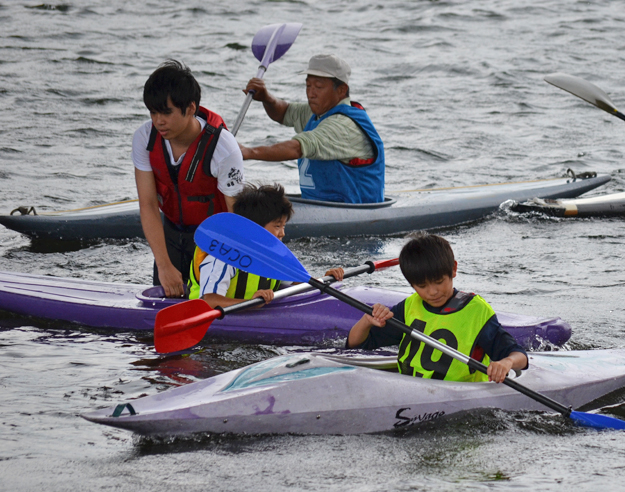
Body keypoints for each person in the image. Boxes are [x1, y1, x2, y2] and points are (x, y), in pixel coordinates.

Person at [347, 234, 528, 383]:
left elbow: (520, 356)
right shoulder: (409, 306)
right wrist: (366, 321)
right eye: (422, 286)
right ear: (412, 284)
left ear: (453, 269)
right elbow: (357, 345)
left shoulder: (477, 311)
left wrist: (506, 363)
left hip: (457, 397)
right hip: (409, 391)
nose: (432, 292)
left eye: (439, 282)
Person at [133, 60, 244, 298]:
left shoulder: (224, 148)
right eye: (153, 112)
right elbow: (148, 205)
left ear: (191, 107)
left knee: (207, 308)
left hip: (213, 244)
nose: (158, 121)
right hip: (171, 236)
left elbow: (237, 216)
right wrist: (163, 265)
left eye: (166, 112)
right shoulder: (144, 138)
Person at [240, 54, 385, 204]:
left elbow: (296, 148)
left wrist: (249, 152)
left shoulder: (343, 126)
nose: (311, 93)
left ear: (341, 90)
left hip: (352, 211)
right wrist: (266, 98)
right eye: (308, 85)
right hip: (319, 204)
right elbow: (284, 112)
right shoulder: (318, 112)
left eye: (319, 87)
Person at [189, 183, 344, 309]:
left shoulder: (274, 256)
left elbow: (298, 284)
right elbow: (208, 302)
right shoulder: (223, 256)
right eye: (277, 226)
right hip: (210, 318)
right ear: (254, 229)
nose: (282, 233)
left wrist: (325, 280)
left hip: (249, 311)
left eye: (284, 226)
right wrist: (250, 304)